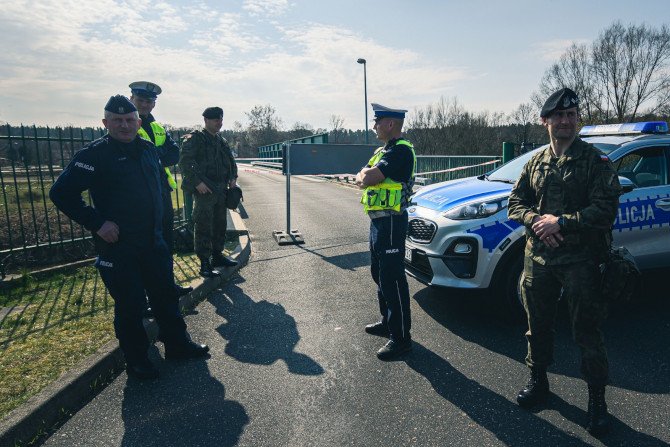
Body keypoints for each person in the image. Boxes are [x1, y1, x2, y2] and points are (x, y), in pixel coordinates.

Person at [50, 95, 210, 380]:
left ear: (137, 122)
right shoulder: (94, 154)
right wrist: (97, 223)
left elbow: (158, 189)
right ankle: (137, 360)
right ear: (105, 123)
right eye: (117, 120)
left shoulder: (148, 148)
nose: (124, 125)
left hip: (154, 241)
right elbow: (61, 193)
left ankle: (177, 345)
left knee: (165, 297)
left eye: (129, 120)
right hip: (118, 245)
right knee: (131, 304)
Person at [507, 88, 621, 436]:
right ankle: (539, 381)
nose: (566, 121)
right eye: (559, 116)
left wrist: (562, 223)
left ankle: (597, 402)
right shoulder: (535, 161)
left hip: (581, 261)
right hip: (539, 257)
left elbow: (605, 210)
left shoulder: (595, 161)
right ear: (546, 121)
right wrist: (537, 222)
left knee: (587, 331)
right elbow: (515, 201)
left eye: (571, 115)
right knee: (537, 324)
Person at [356, 103, 416, 361]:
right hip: (378, 222)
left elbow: (367, 178)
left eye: (377, 122)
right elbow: (361, 175)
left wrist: (366, 175)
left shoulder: (400, 151)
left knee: (392, 278)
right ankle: (387, 321)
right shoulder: (384, 151)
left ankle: (401, 338)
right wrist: (365, 175)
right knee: (378, 274)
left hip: (392, 222)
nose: (374, 126)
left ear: (390, 124)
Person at [129, 81, 192, 298]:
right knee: (143, 246)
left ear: (153, 104)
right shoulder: (126, 125)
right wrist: (158, 154)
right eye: (141, 100)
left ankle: (167, 286)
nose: (145, 105)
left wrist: (155, 155)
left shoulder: (156, 127)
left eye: (149, 101)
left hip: (162, 193)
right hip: (141, 196)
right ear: (132, 100)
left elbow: (174, 154)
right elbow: (141, 157)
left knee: (165, 242)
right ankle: (145, 295)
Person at [179, 106, 238, 278]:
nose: (219, 123)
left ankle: (217, 256)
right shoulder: (195, 139)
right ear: (206, 120)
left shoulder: (221, 141)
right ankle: (204, 262)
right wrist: (197, 183)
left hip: (220, 189)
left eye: (220, 119)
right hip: (205, 190)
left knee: (220, 224)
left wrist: (233, 177)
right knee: (203, 225)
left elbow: (231, 161)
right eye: (215, 120)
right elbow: (184, 163)